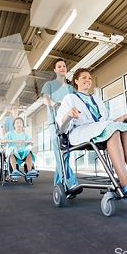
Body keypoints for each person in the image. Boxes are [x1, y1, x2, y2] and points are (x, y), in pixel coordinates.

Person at [56, 68, 127, 199]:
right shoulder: (70, 98)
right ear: (76, 81)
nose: (88, 80)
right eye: (84, 77)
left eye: (89, 78)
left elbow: (107, 118)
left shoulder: (96, 99)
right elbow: (62, 124)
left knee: (125, 129)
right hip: (80, 131)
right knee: (113, 129)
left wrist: (123, 117)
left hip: (100, 128)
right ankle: (125, 182)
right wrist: (68, 115)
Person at [41, 58, 79, 188]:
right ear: (55, 70)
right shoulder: (49, 84)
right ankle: (70, 182)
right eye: (59, 66)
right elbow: (45, 99)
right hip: (54, 122)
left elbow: (76, 101)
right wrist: (53, 103)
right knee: (59, 151)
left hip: (68, 122)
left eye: (64, 66)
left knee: (66, 152)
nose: (62, 68)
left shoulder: (70, 87)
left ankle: (59, 185)